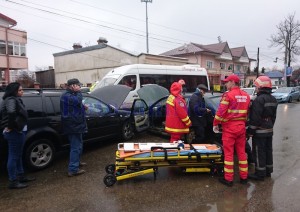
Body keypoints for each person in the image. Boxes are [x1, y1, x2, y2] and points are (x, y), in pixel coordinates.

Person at [213, 74, 250, 186]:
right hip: (241, 127)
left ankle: (228, 179)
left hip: (229, 128)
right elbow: (247, 113)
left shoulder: (227, 95)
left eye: (227, 82)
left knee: (229, 154)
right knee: (242, 153)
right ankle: (244, 178)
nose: (225, 84)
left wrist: (215, 123)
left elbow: (221, 112)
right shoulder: (246, 95)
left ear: (233, 82)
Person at [0, 82, 36, 189]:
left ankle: (21, 176)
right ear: (14, 91)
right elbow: (11, 113)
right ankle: (13, 181)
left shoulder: (15, 99)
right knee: (13, 156)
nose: (22, 91)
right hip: (14, 132)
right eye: (20, 90)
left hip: (18, 131)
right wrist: (11, 127)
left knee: (18, 155)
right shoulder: (11, 99)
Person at [247, 76, 278, 181]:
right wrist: (269, 125)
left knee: (259, 151)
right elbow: (273, 117)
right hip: (269, 130)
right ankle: (268, 171)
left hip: (259, 131)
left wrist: (250, 131)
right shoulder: (273, 99)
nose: (255, 88)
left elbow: (255, 118)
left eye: (256, 86)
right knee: (268, 150)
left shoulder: (258, 100)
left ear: (260, 87)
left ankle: (260, 174)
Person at [60, 78, 87, 177]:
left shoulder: (71, 95)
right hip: (72, 126)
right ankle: (73, 169)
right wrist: (79, 92)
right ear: (72, 86)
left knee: (79, 145)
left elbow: (75, 105)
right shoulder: (66, 95)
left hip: (77, 125)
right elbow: (77, 100)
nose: (79, 87)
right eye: (78, 85)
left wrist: (83, 107)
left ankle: (77, 162)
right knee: (75, 147)